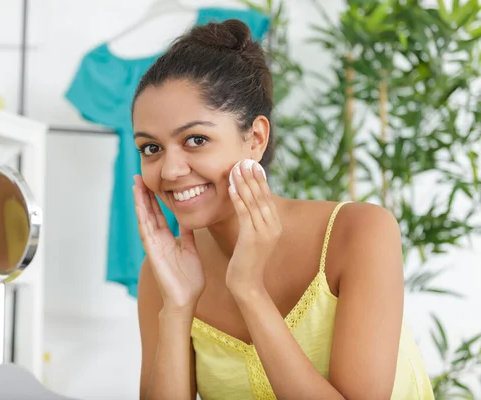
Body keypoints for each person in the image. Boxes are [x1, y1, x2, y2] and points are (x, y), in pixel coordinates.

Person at [131, 19, 434, 400]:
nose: (171, 170)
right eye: (151, 148)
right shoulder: (163, 274)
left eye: (196, 139)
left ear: (255, 138)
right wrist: (177, 308)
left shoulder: (359, 232)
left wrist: (249, 290)